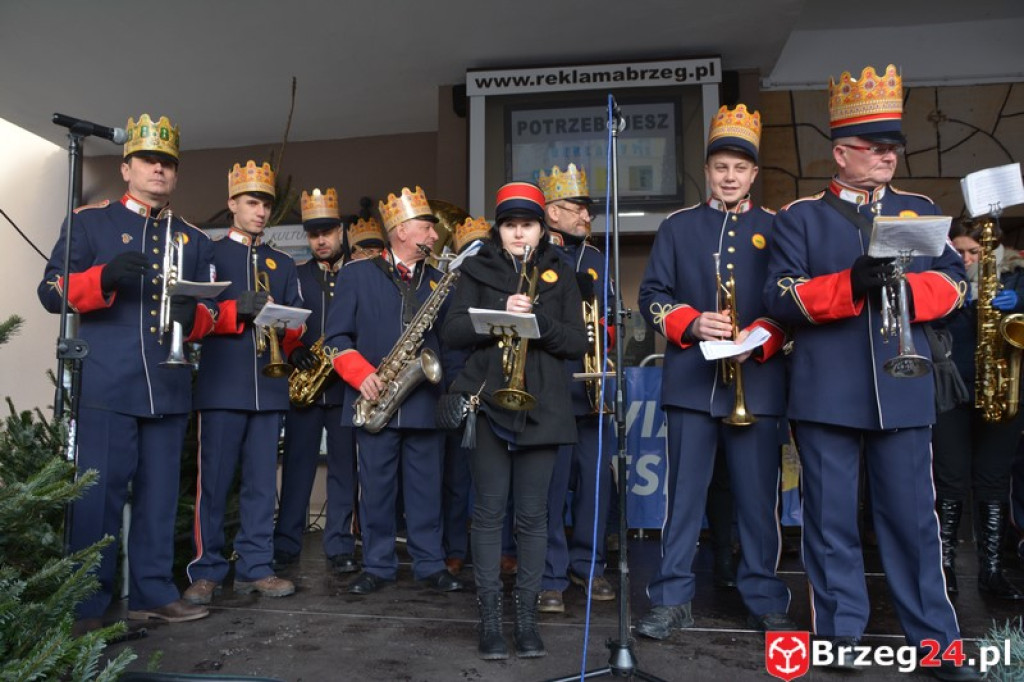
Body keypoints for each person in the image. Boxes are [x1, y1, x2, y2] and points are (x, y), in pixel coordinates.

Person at [763, 65, 979, 681]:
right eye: (875, 147)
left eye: (892, 147)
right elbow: (781, 299)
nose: (888, 156)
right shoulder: (799, 217)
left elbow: (956, 284)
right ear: (841, 153)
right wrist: (848, 283)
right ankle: (840, 639)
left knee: (914, 521)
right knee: (830, 522)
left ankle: (938, 646)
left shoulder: (920, 209)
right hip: (827, 388)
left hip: (904, 386)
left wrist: (909, 289)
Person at [38, 113, 213, 630]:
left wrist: (195, 316)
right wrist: (102, 278)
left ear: (176, 175)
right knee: (98, 498)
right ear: (127, 167)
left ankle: (153, 594)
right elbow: (50, 293)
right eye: (149, 161)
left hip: (168, 385)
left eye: (168, 164)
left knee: (160, 500)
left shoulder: (193, 238)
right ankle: (87, 604)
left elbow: (210, 309)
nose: (159, 170)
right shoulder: (90, 222)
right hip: (109, 384)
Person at [636, 104, 794, 638]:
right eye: (721, 167)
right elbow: (652, 295)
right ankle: (672, 597)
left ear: (754, 174)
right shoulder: (678, 226)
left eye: (740, 168)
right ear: (707, 171)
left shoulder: (777, 227)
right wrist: (689, 321)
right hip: (692, 384)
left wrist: (761, 338)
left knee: (757, 500)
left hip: (760, 383)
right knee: (683, 498)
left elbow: (790, 305)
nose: (730, 177)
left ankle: (765, 597)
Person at [441, 181, 587, 660]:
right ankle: (490, 621)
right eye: (510, 225)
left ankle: (526, 620)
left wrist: (538, 323)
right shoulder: (477, 269)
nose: (518, 234)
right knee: (486, 514)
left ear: (541, 230)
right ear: (499, 230)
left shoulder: (561, 272)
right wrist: (502, 311)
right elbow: (454, 330)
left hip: (542, 407)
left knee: (533, 517)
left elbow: (576, 342)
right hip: (488, 404)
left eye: (527, 225)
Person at [324, 186, 462, 596]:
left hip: (424, 402)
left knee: (426, 489)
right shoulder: (356, 274)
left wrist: (452, 393)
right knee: (377, 489)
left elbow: (451, 346)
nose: (435, 236)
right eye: (426, 228)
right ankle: (377, 564)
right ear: (401, 230)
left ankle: (430, 564)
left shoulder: (441, 281)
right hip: (374, 397)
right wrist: (360, 374)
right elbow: (335, 338)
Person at [184, 161, 303, 605]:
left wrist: (283, 321)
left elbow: (298, 326)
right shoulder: (210, 255)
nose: (260, 211)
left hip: (269, 389)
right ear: (232, 203)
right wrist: (238, 310)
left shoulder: (284, 262)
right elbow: (193, 319)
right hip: (221, 386)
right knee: (213, 483)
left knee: (259, 484)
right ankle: (207, 570)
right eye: (252, 202)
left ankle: (256, 567)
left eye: (266, 204)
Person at [535, 163, 617, 612]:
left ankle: (590, 566)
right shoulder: (537, 258)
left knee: (596, 484)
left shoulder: (600, 260)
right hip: (551, 390)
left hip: (593, 391)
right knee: (549, 485)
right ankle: (550, 573)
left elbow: (613, 323)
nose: (587, 217)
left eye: (588, 210)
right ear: (551, 212)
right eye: (576, 209)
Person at [932, 220, 1024, 599]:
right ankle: (945, 564)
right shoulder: (942, 279)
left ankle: (991, 570)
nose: (968, 259)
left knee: (994, 479)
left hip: (1002, 390)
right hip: (952, 391)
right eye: (961, 252)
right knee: (950, 478)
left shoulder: (1016, 278)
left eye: (975, 252)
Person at [272, 188, 359, 575]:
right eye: (313, 233)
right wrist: (293, 352)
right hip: (304, 389)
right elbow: (284, 323)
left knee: (344, 469)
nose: (320, 240)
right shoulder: (296, 273)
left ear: (341, 231)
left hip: (344, 388)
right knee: (296, 468)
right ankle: (287, 544)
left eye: (327, 231)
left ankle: (339, 544)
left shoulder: (360, 273)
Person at [441, 215, 493, 576]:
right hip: (463, 389)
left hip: (497, 388)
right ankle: (456, 547)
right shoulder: (449, 290)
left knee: (497, 482)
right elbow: (448, 343)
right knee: (458, 480)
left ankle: (504, 549)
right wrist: (460, 388)